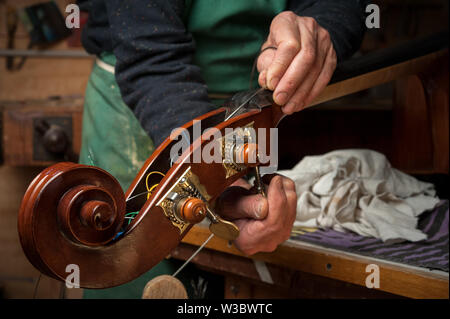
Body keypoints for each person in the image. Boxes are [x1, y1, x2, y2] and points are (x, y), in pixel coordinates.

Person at [77, 0, 369, 298]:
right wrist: (216, 174)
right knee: (128, 259)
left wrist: (316, 35)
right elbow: (151, 53)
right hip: (154, 100)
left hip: (260, 103)